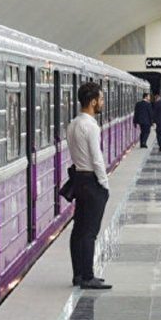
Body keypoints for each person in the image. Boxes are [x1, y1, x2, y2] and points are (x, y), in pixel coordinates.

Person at [66, 82, 113, 289]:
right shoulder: (91, 126)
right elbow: (97, 158)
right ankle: (88, 276)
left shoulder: (73, 124)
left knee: (78, 230)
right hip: (92, 181)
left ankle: (78, 274)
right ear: (93, 102)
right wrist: (104, 184)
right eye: (101, 99)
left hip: (78, 179)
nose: (102, 103)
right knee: (90, 232)